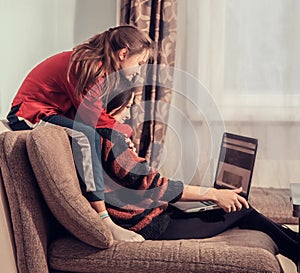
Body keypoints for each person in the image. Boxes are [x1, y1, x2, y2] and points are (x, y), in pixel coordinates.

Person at [98, 88, 299, 266]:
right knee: (241, 209)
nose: (129, 113)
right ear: (114, 104)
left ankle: (295, 243)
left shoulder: (104, 135)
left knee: (238, 209)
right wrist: (214, 194)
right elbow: (154, 184)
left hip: (152, 212)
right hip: (149, 225)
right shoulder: (112, 139)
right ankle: (296, 249)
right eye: (127, 106)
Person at [6, 25, 153, 242]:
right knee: (86, 136)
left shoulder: (98, 68)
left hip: (50, 112)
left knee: (91, 136)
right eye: (139, 63)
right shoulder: (84, 64)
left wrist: (119, 134)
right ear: (123, 54)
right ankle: (104, 219)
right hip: (28, 114)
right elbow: (91, 118)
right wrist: (124, 133)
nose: (139, 71)